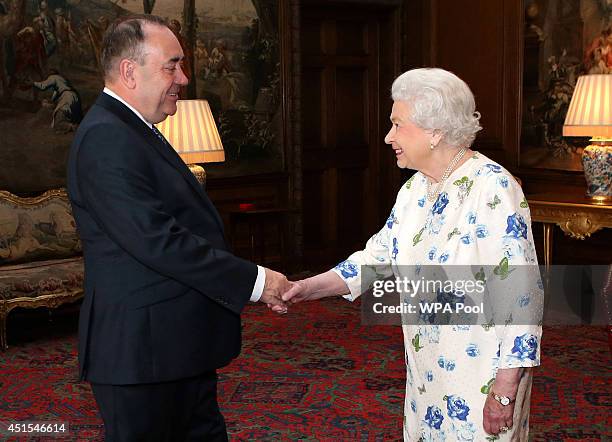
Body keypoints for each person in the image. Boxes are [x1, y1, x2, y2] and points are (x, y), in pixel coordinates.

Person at [283, 68, 543, 441]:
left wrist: (504, 390)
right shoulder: (415, 190)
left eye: (397, 125)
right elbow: (374, 259)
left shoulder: (493, 189)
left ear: (435, 131)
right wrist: (306, 288)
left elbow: (522, 296)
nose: (389, 137)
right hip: (427, 377)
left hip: (483, 379)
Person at [66, 15, 289, 441]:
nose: (183, 78)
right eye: (172, 65)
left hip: (174, 348)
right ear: (130, 72)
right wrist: (256, 282)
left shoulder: (135, 130)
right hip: (142, 356)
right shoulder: (106, 137)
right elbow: (158, 241)